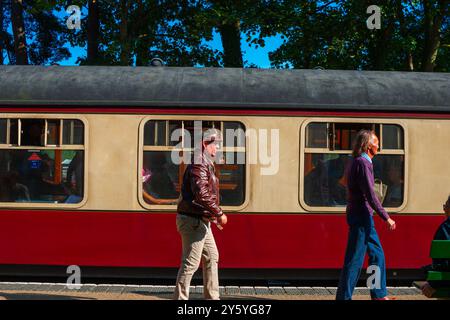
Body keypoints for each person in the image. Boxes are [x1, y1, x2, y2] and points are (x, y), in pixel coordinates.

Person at [336, 130, 396, 300]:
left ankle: (377, 294)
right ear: (369, 145)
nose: (379, 145)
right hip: (361, 216)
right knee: (354, 260)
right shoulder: (362, 163)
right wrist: (386, 217)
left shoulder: (359, 161)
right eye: (376, 142)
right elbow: (370, 194)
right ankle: (344, 298)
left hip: (362, 216)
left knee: (377, 254)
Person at [174, 128, 228, 300]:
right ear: (205, 144)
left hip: (201, 220)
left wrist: (211, 215)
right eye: (216, 144)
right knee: (190, 263)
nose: (218, 148)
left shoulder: (204, 162)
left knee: (212, 256)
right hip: (193, 221)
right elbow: (201, 193)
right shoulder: (199, 163)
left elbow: (201, 194)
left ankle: (212, 298)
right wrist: (219, 213)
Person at [421, 195, 450, 298]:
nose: (444, 210)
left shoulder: (445, 227)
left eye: (445, 207)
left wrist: (432, 285)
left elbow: (442, 263)